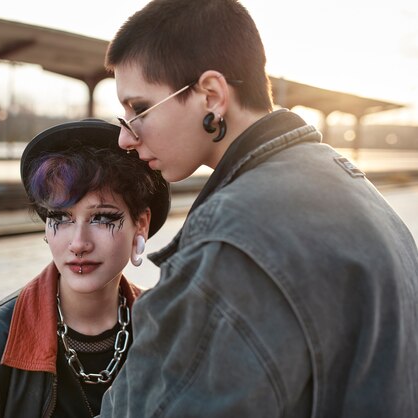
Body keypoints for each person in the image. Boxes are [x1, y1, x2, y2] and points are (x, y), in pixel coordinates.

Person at [99, 0, 418, 417]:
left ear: (211, 95)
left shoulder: (232, 239)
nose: (125, 137)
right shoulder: (353, 187)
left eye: (139, 109)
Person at [0, 119, 170, 417]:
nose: (78, 243)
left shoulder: (169, 332)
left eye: (102, 218)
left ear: (140, 224)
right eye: (61, 218)